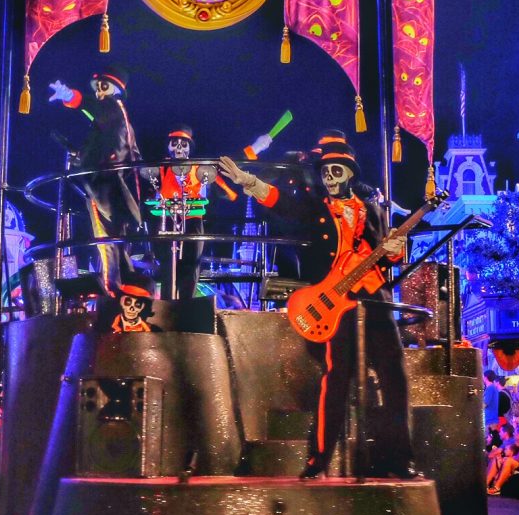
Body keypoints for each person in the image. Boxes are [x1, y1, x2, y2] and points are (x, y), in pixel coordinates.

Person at [219, 140, 417, 479]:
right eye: (325, 171)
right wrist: (247, 181)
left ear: (349, 174)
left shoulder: (373, 210)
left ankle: (401, 459)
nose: (328, 177)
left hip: (374, 299)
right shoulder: (316, 208)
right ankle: (319, 457)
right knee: (336, 378)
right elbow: (281, 202)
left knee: (394, 377)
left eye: (335, 171)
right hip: (336, 304)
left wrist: (397, 249)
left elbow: (389, 255)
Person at [48, 67, 143, 295]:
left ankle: (114, 288)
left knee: (106, 237)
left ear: (116, 89)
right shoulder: (118, 119)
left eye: (104, 86)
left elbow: (90, 107)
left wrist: (71, 96)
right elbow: (130, 152)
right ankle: (125, 280)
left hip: (105, 182)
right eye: (98, 87)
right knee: (115, 236)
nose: (100, 92)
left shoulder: (112, 107)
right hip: (113, 181)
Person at [149, 124, 217, 300]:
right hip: (167, 217)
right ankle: (166, 302)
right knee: (167, 265)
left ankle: (187, 304)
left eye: (183, 143)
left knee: (192, 262)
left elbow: (206, 190)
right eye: (174, 143)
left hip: (192, 218)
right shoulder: (162, 167)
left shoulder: (198, 168)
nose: (179, 147)